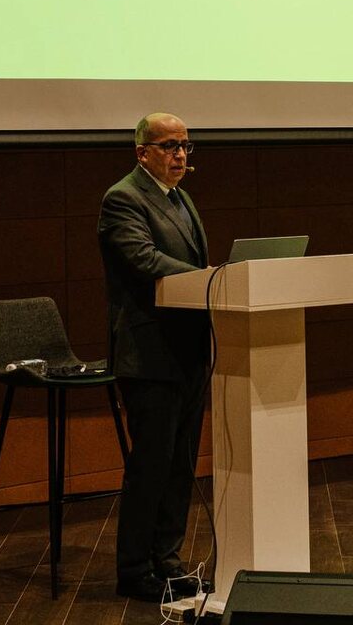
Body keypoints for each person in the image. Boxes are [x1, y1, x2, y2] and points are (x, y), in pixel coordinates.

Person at [98, 112, 210, 602]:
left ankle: (168, 561)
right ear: (142, 152)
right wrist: (207, 278)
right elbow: (142, 259)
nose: (180, 154)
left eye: (185, 145)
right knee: (151, 467)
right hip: (149, 354)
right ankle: (134, 570)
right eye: (169, 146)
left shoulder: (181, 198)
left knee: (180, 465)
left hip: (188, 352)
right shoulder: (122, 198)